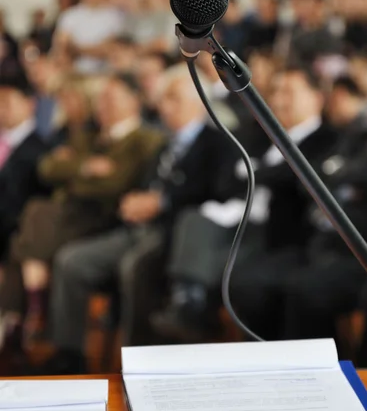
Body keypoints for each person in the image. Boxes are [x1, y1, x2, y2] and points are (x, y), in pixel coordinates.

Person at [42, 64, 237, 374]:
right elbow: (144, 185)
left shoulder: (219, 143)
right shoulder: (164, 144)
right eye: (163, 98)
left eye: (173, 97)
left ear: (197, 100)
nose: (164, 105)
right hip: (136, 228)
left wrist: (162, 202)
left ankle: (136, 363)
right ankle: (70, 353)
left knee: (135, 267)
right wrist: (135, 200)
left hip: (175, 234)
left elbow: (218, 193)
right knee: (71, 261)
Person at [153, 66, 337, 342]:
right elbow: (226, 182)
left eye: (289, 92)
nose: (279, 100)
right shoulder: (258, 135)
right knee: (191, 221)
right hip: (240, 221)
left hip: (284, 237)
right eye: (275, 92)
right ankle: (190, 304)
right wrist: (261, 174)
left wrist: (256, 173)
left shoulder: (328, 140)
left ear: (316, 98)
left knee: (244, 281)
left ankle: (202, 315)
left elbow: (298, 181)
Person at [0, 72, 164, 348]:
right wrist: (86, 167)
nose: (102, 105)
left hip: (105, 218)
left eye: (110, 98)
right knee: (36, 218)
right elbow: (48, 168)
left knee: (35, 219)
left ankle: (25, 314)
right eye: (100, 99)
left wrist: (73, 172)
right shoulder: (88, 135)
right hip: (70, 216)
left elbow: (115, 184)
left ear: (134, 100)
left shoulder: (146, 140)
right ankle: (27, 317)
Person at [284, 59, 367, 347]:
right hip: (336, 243)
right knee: (284, 279)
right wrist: (354, 180)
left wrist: (352, 178)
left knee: (306, 289)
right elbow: (326, 173)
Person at [0, 78, 47, 261]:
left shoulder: (37, 150)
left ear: (30, 104)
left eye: (7, 102)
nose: (1, 109)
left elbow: (15, 204)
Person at [54, 0, 123, 73]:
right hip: (73, 71)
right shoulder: (70, 15)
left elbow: (109, 48)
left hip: (105, 71)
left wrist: (77, 49)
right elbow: (62, 45)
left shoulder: (115, 17)